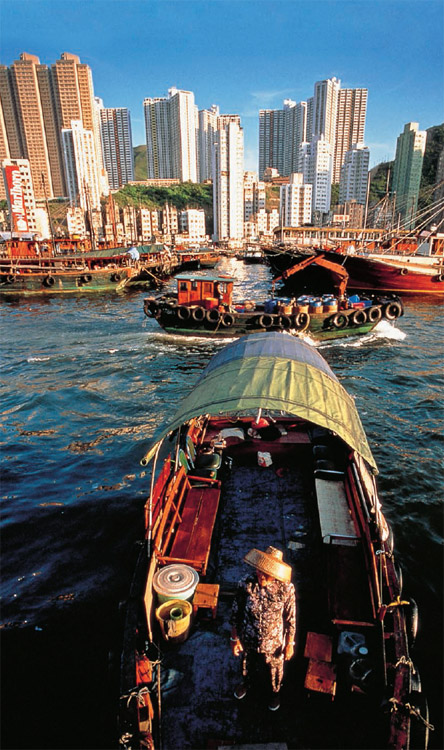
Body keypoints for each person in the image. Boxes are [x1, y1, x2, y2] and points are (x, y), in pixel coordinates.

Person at [230, 546, 296, 711]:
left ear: (276, 576)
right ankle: (245, 684)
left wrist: (289, 644)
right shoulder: (246, 584)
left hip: (273, 642)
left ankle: (274, 694)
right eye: (259, 571)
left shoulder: (286, 590)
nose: (261, 576)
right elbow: (235, 613)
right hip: (249, 636)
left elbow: (290, 619)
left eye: (266, 574)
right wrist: (234, 639)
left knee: (274, 670)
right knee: (246, 664)